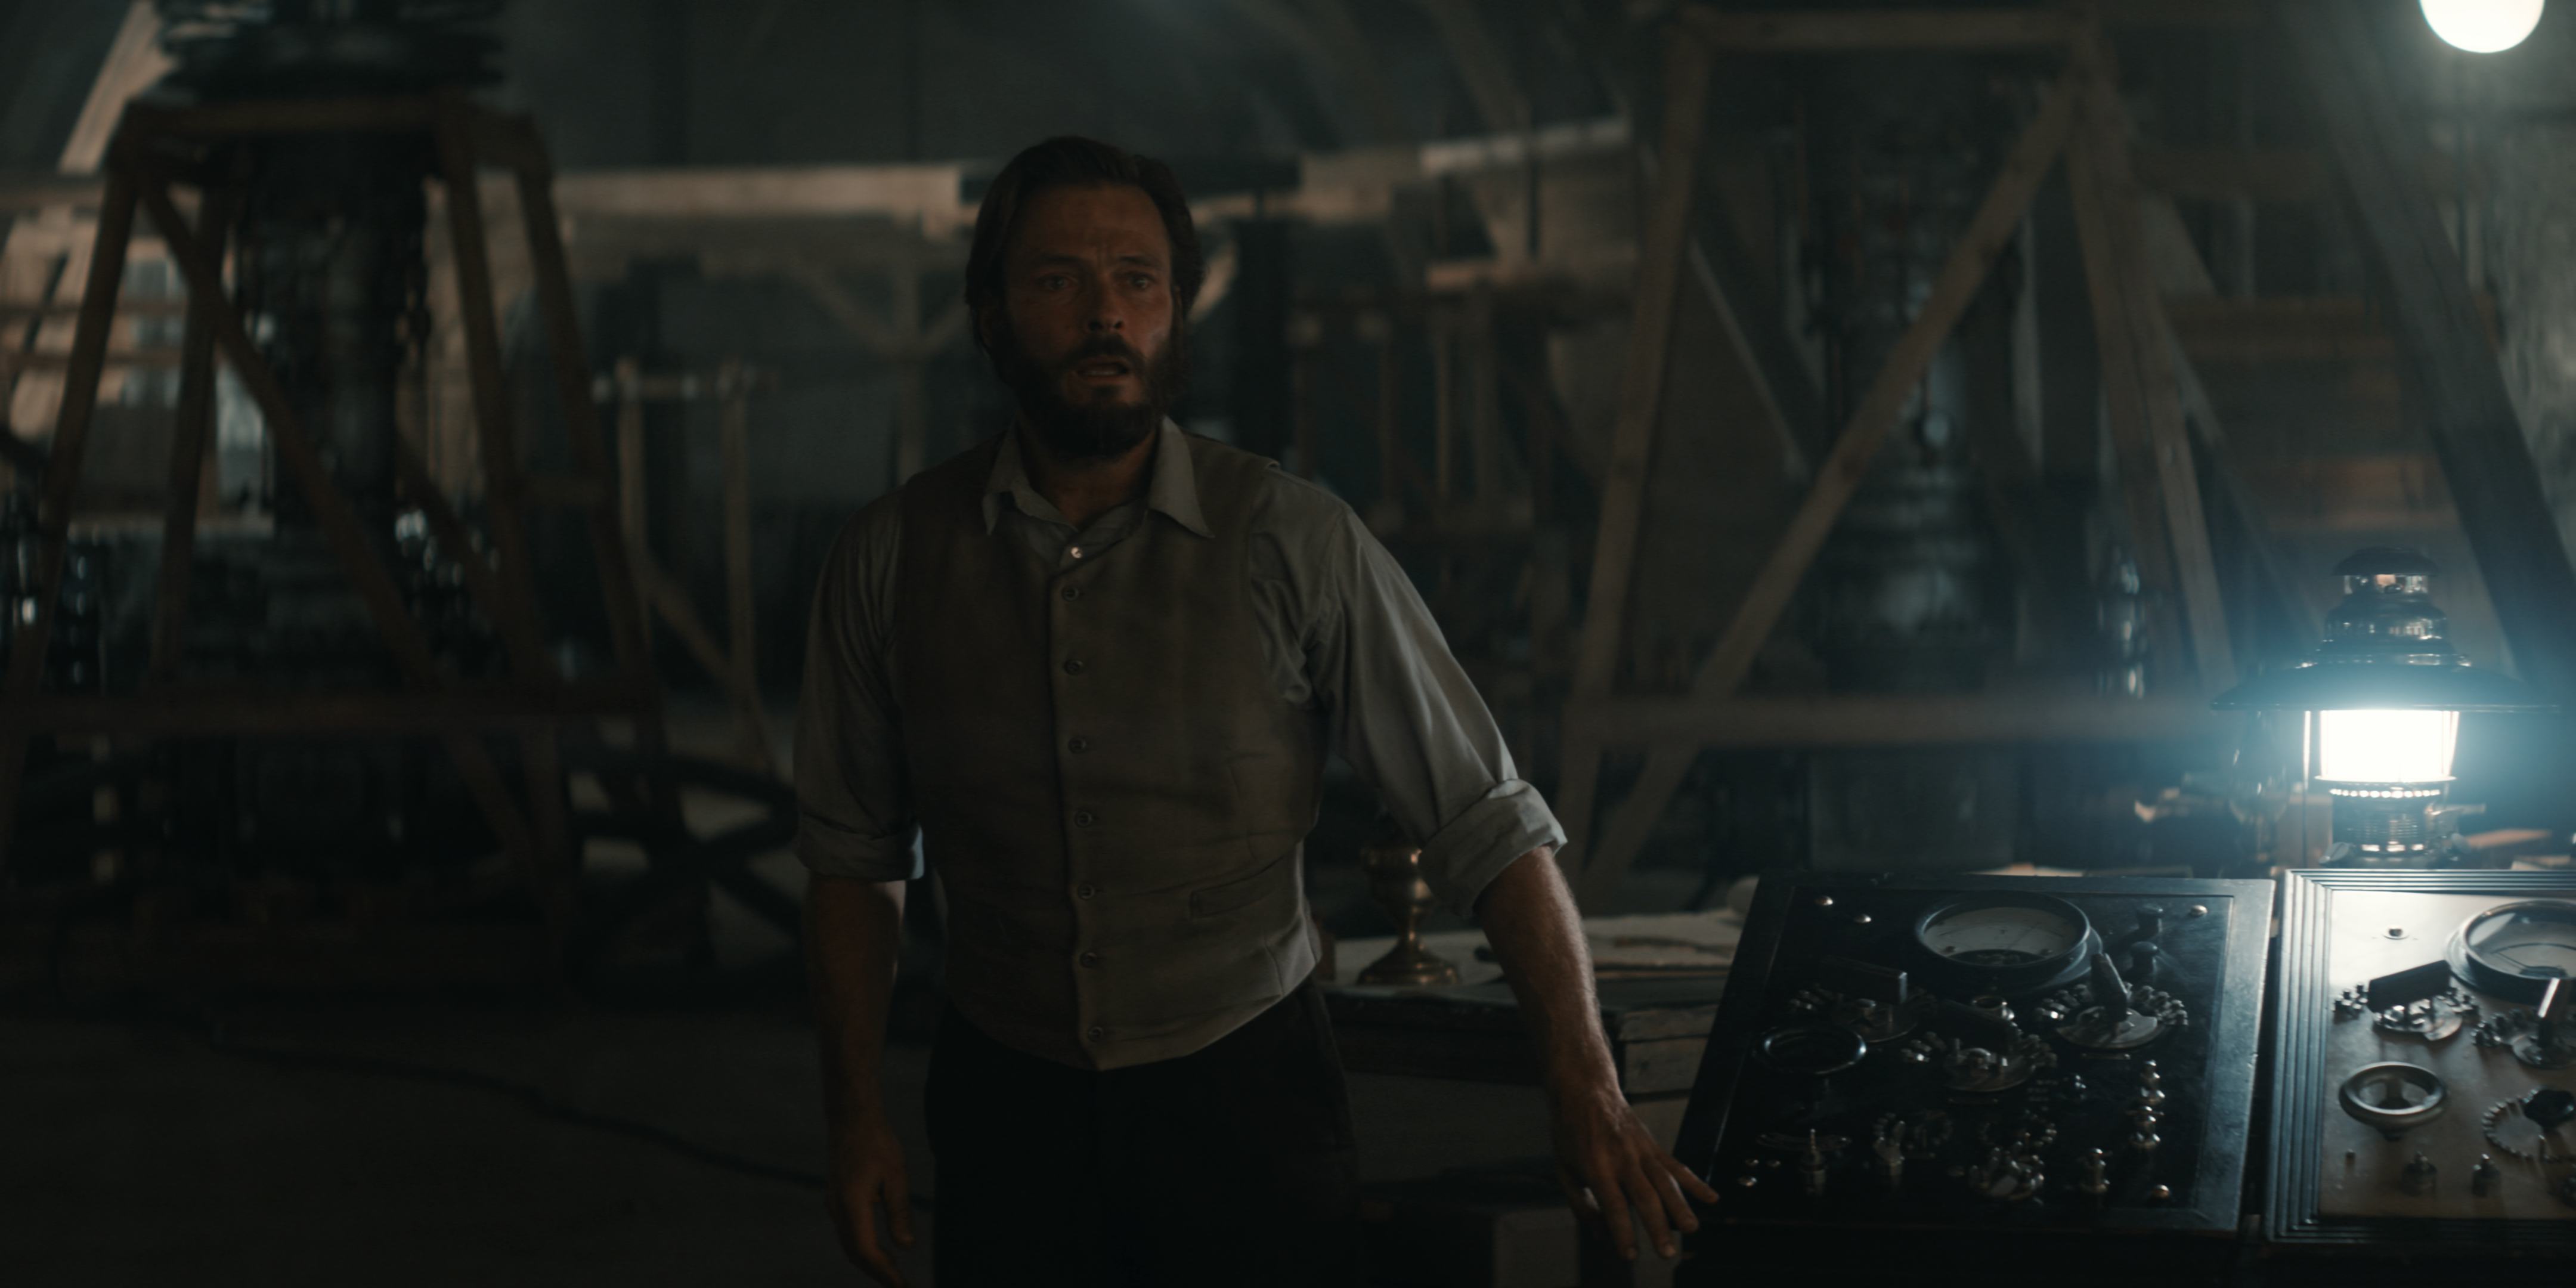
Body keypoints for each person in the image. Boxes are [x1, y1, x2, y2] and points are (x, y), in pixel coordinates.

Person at [795, 135, 1716, 1287]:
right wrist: (853, 1117)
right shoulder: (893, 554)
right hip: (1008, 1102)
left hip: (1245, 1097)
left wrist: (1586, 1085)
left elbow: (1486, 819)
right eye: (1058, 279)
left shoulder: (1292, 539)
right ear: (989, 315)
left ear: (1177, 313)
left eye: (1138, 280)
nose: (1105, 313)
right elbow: (853, 859)